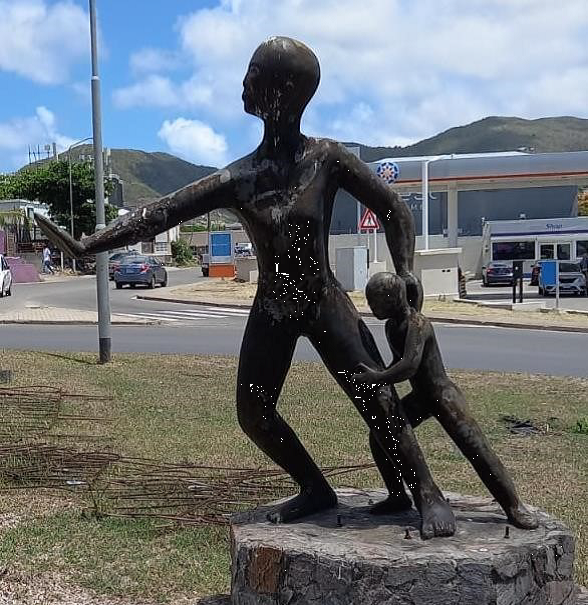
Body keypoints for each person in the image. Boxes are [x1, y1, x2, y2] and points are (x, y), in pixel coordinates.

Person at [36, 36, 455, 539]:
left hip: (322, 300)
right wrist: (91, 244)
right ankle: (315, 488)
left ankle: (427, 493)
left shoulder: (328, 159)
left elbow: (393, 207)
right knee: (253, 414)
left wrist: (405, 268)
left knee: (378, 400)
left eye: (253, 72)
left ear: (282, 90)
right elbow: (160, 213)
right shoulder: (240, 176)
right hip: (273, 307)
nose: (243, 81)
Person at [351, 272, 538, 530]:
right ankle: (397, 496)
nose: (371, 308)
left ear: (393, 299)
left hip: (443, 395)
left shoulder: (418, 324)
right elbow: (399, 361)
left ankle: (514, 506)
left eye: (375, 302)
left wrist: (377, 378)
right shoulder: (392, 326)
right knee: (379, 437)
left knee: (476, 448)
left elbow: (409, 366)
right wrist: (381, 379)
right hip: (421, 397)